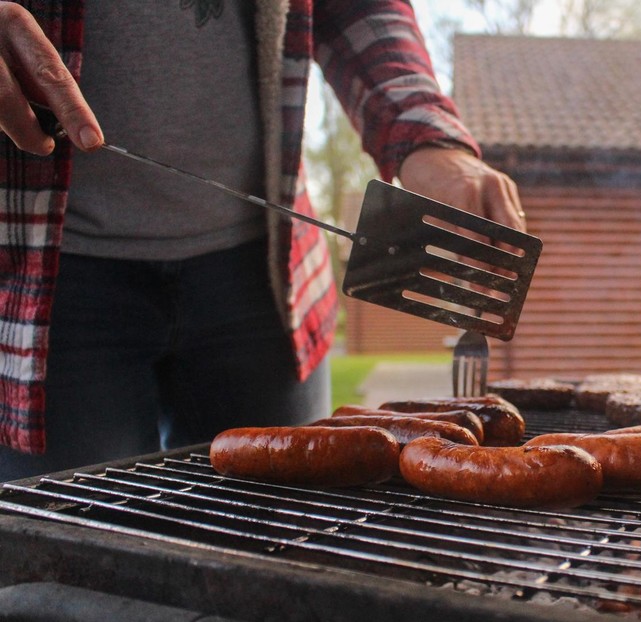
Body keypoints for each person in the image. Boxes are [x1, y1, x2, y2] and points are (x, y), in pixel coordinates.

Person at [0, 1, 526, 480]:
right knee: (71, 538)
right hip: (42, 277)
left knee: (288, 530)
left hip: (267, 272)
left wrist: (427, 137)